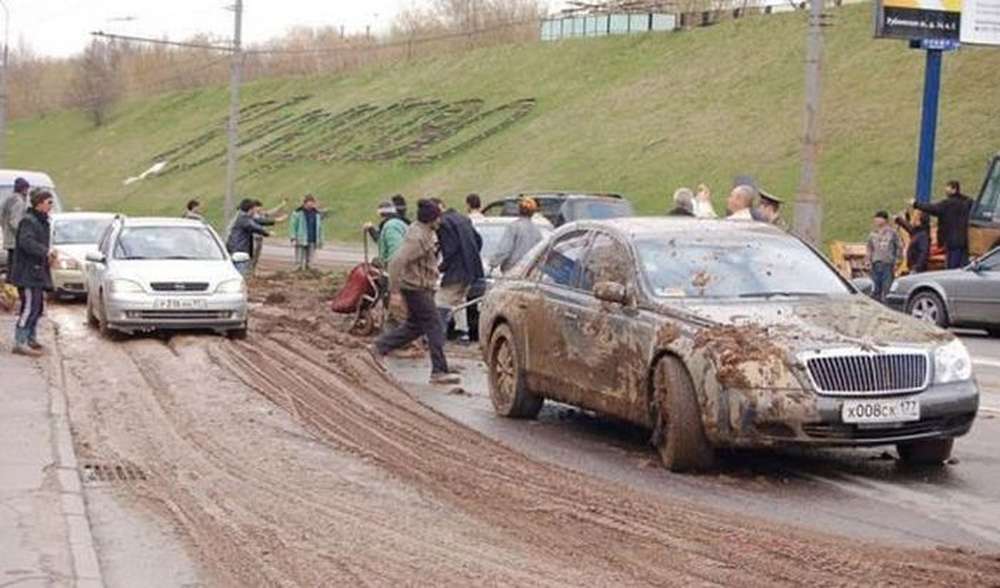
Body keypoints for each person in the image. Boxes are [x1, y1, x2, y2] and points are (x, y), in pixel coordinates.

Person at [372, 199, 460, 385]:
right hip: (416, 288)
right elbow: (397, 261)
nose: (440, 221)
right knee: (435, 324)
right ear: (431, 219)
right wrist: (394, 292)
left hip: (419, 287)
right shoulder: (418, 237)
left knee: (415, 326)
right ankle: (439, 371)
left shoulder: (424, 231)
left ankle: (379, 347)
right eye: (438, 217)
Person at [9, 190, 55, 356]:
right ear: (39, 203)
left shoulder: (41, 221)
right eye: (49, 202)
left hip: (37, 271)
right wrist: (45, 252)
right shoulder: (29, 221)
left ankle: (31, 338)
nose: (51, 206)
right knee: (29, 307)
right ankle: (19, 341)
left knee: (37, 306)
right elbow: (26, 242)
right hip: (27, 273)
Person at [433, 198, 484, 341]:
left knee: (440, 301)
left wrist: (441, 267)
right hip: (472, 270)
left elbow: (450, 250)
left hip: (456, 270)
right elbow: (478, 240)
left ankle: (437, 337)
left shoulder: (443, 224)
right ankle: (463, 333)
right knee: (459, 301)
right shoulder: (463, 219)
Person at [913, 180, 974, 269]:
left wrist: (916, 204)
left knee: (952, 268)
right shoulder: (967, 202)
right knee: (964, 267)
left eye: (948, 188)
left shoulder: (947, 204)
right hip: (965, 241)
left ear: (954, 189)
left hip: (952, 241)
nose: (945, 191)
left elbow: (932, 208)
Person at [490, 197, 544, 274]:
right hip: (529, 271)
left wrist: (493, 263)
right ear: (533, 212)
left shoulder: (514, 227)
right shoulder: (537, 231)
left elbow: (504, 250)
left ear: (519, 210)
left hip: (512, 270)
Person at [226, 198, 271, 277]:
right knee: (240, 277)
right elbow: (252, 226)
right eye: (254, 209)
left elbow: (257, 221)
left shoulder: (243, 216)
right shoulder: (243, 218)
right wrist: (267, 233)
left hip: (234, 249)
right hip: (239, 250)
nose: (255, 211)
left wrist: (273, 222)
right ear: (250, 209)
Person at [866, 211, 902, 303]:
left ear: (884, 219)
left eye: (878, 218)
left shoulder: (892, 233)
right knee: (874, 289)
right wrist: (868, 260)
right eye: (875, 218)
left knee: (887, 289)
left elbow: (899, 247)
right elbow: (869, 248)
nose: (876, 220)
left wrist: (897, 261)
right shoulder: (873, 234)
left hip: (888, 265)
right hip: (875, 264)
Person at [1, 177, 30, 279]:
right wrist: (22, 233)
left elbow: (3, 218)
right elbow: (15, 221)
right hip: (16, 241)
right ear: (23, 189)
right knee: (16, 268)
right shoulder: (18, 201)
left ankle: (11, 286)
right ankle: (14, 287)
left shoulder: (9, 199)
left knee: (11, 266)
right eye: (26, 188)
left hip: (9, 239)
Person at [250, 198, 288, 273]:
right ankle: (249, 270)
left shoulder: (261, 214)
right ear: (255, 207)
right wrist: (278, 220)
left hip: (260, 238)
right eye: (259, 207)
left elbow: (271, 212)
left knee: (257, 256)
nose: (260, 209)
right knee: (253, 255)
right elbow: (263, 221)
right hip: (254, 238)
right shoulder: (253, 216)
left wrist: (282, 205)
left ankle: (253, 270)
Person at [289, 195, 325, 271]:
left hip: (312, 238)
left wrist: (321, 239)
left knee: (311, 256)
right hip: (301, 237)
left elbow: (320, 227)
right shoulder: (297, 213)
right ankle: (298, 268)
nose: (311, 204)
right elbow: (293, 225)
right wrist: (293, 237)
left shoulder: (317, 214)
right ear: (305, 203)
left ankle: (309, 268)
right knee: (299, 255)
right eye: (309, 203)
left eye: (312, 203)